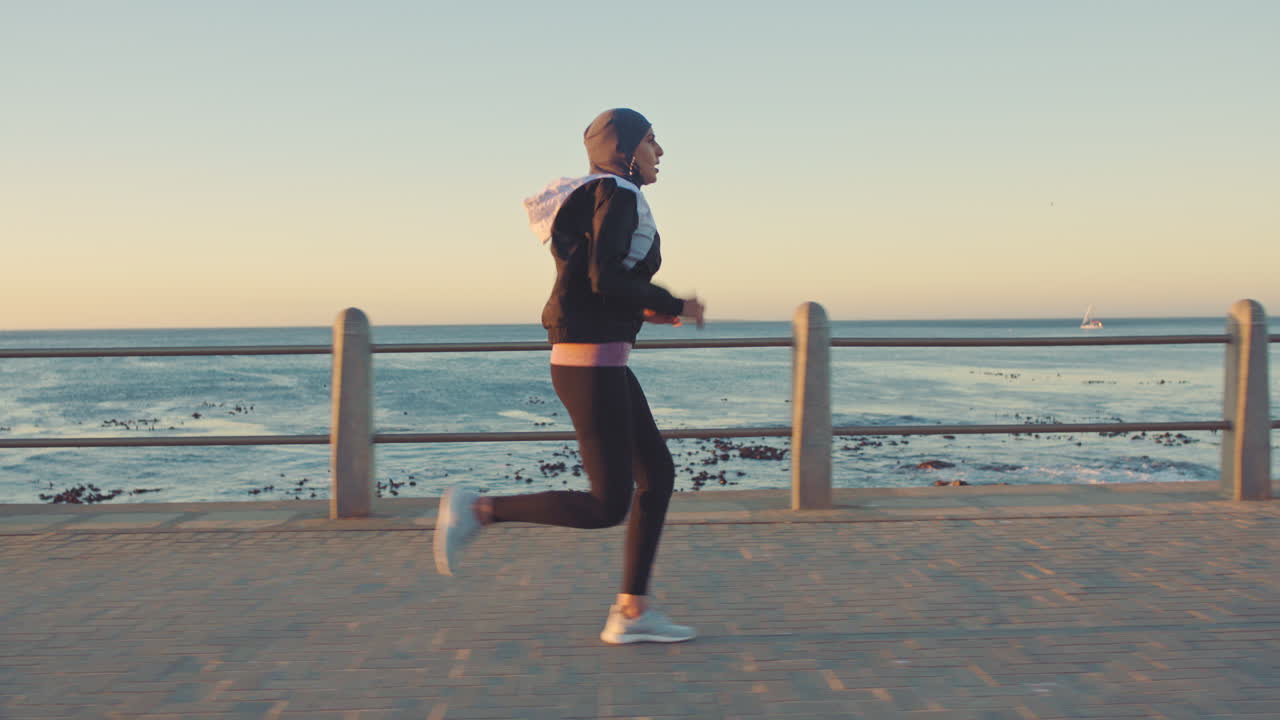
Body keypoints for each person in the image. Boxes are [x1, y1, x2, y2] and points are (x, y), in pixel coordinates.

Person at [434, 108, 706, 645]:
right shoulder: (620, 194)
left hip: (599, 357)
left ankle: (632, 612)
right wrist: (674, 301)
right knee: (609, 504)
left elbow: (596, 277)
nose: (661, 152)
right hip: (591, 361)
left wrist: (654, 309)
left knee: (658, 474)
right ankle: (479, 509)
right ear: (626, 148)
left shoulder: (600, 193)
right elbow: (606, 278)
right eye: (652, 141)